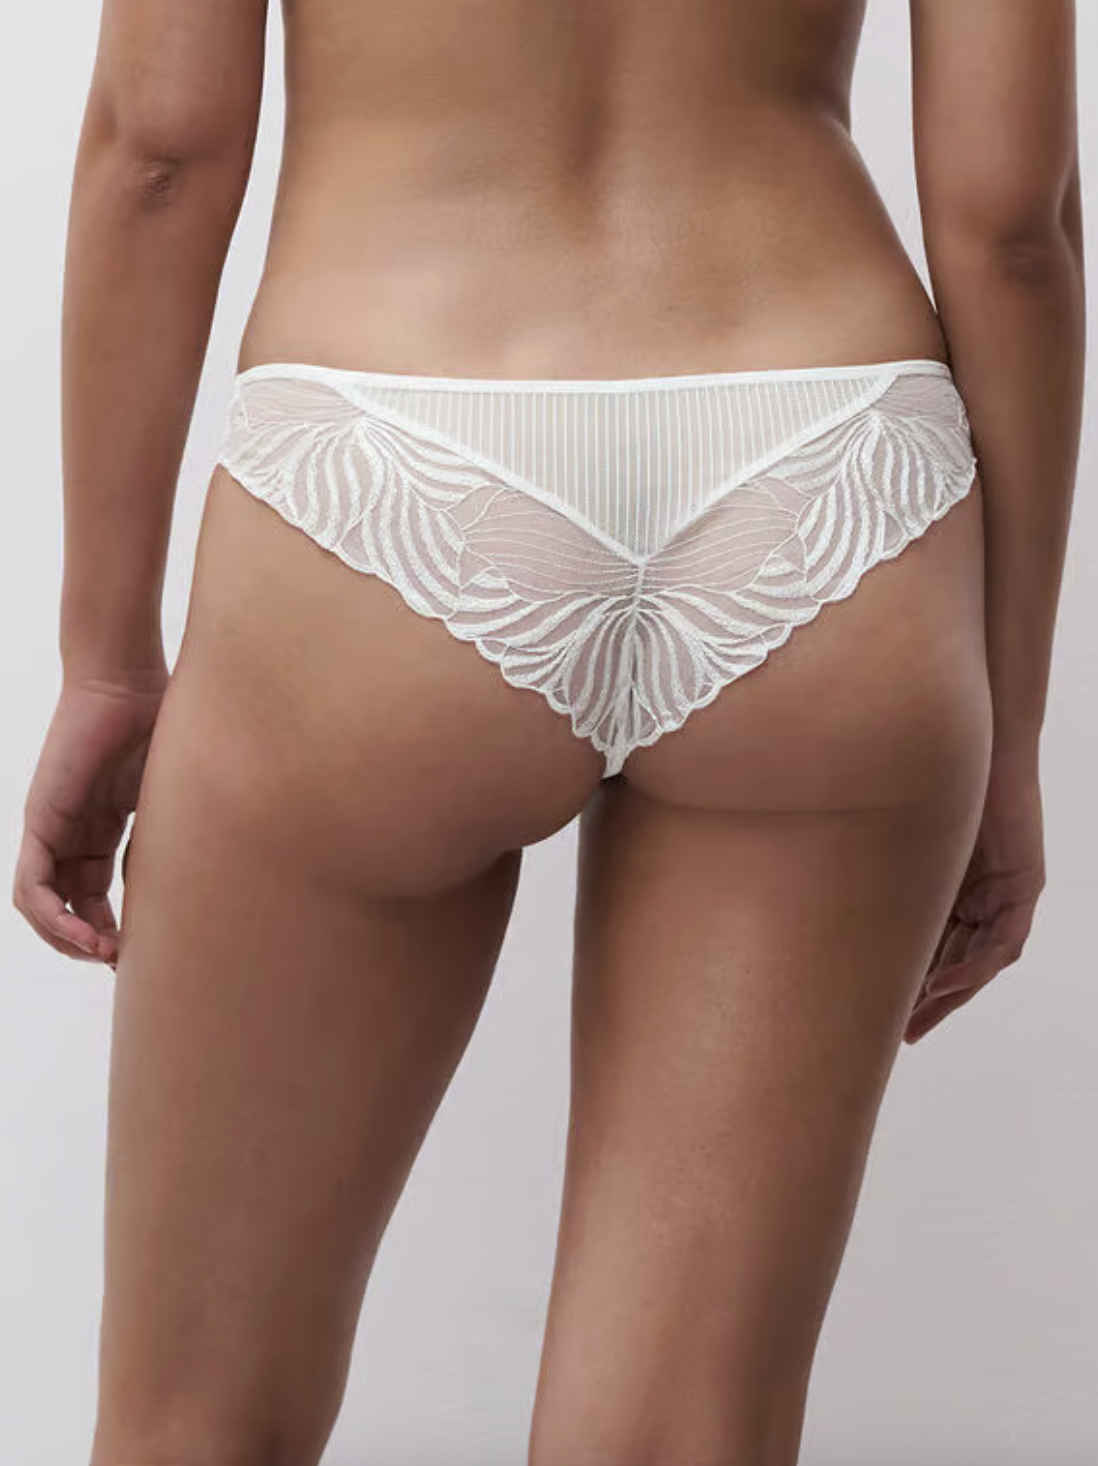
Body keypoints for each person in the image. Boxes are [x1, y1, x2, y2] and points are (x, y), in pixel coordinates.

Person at [12, 0, 1085, 1462]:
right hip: (825, 459)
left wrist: (104, 658)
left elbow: (159, 148)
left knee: (191, 1425)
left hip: (390, 436)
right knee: (680, 1436)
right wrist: (1009, 722)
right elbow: (1014, 220)